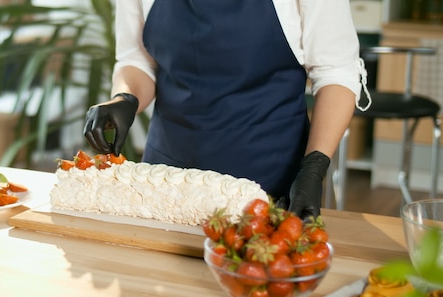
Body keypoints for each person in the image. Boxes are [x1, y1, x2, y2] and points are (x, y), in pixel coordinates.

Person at [83, 0, 368, 220]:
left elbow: (336, 74)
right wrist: (125, 98)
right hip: (166, 178)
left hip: (268, 178)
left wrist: (314, 167)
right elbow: (137, 61)